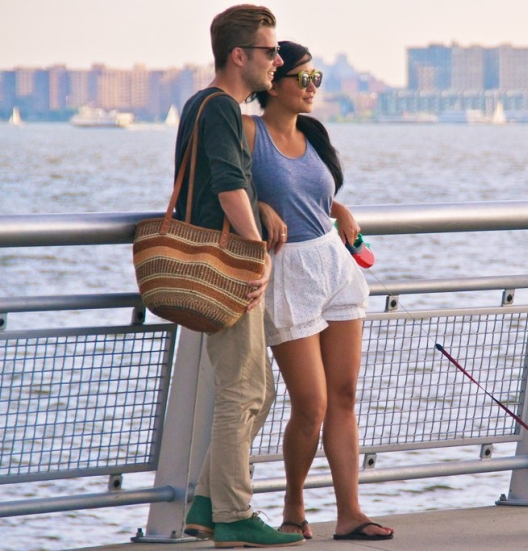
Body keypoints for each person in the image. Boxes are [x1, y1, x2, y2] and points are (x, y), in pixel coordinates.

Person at [241, 41, 394, 542]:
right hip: (288, 276)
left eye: (317, 79)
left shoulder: (313, 132)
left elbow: (315, 194)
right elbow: (216, 185)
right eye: (303, 79)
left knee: (345, 395)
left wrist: (340, 209)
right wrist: (257, 206)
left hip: (334, 265)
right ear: (274, 82)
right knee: (311, 404)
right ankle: (293, 505)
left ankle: (349, 513)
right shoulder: (248, 132)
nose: (312, 89)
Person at [176, 6, 304, 548]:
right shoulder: (223, 108)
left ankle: (207, 505)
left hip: (211, 260)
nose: (278, 60)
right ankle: (234, 513)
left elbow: (222, 185)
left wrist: (263, 206)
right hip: (228, 265)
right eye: (270, 51)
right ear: (239, 55)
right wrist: (257, 254)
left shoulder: (201, 106)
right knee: (244, 388)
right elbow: (227, 186)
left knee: (259, 387)